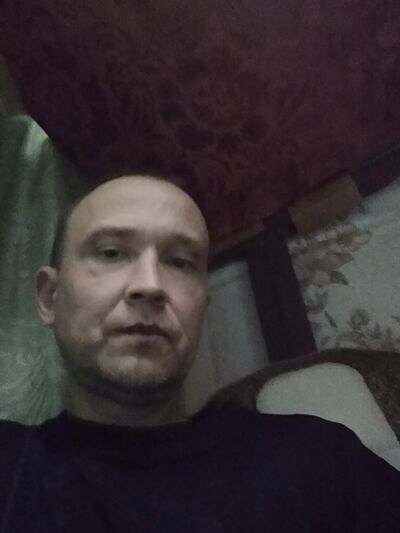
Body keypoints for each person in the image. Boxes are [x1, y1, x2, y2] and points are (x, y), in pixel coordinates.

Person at [0, 174, 399, 532]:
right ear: (50, 297)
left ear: (202, 309)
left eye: (180, 261)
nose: (150, 285)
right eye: (110, 253)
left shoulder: (319, 462)